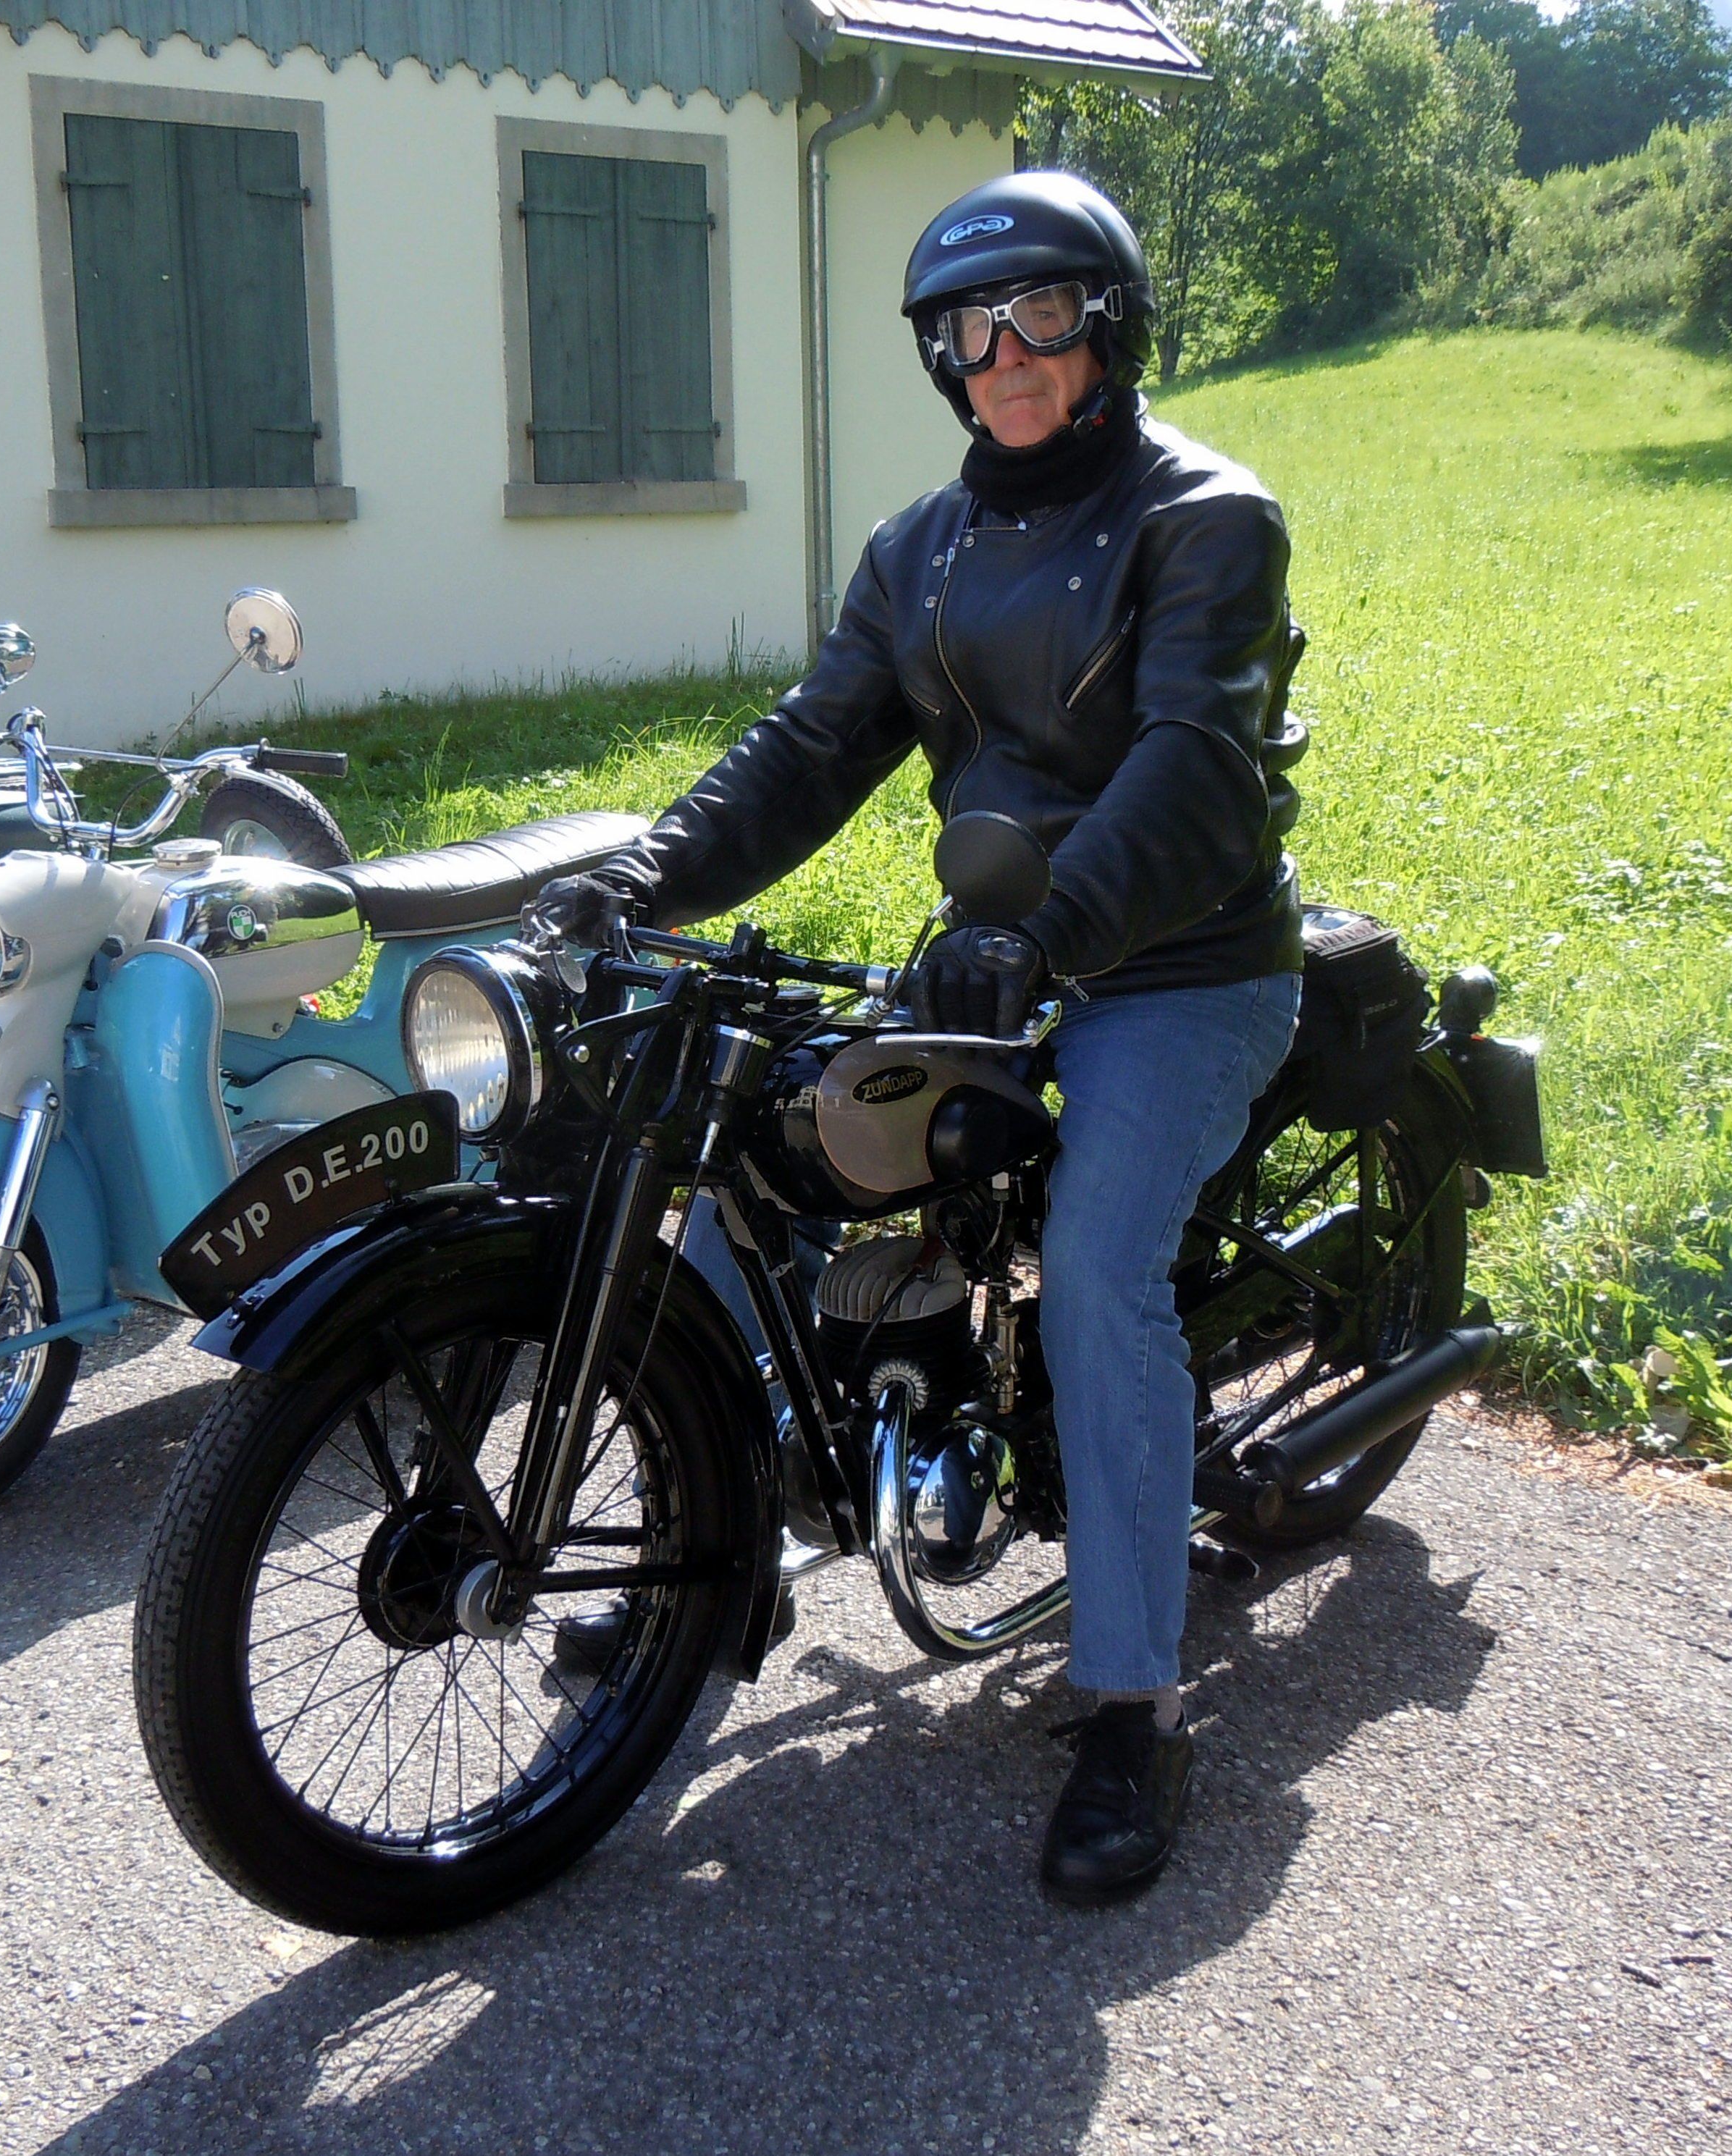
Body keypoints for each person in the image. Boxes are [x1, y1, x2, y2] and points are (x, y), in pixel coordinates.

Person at [534, 171, 1306, 1906]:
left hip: (1178, 963)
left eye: (1040, 313)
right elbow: (810, 749)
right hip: (995, 954)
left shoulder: (1208, 518)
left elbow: (1195, 765)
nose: (1002, 352)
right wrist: (643, 874)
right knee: (750, 1172)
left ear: (1109, 326)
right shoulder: (920, 550)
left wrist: (1046, 938)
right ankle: (706, 1538)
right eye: (967, 326)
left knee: (1096, 1266)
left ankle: (1131, 1703)